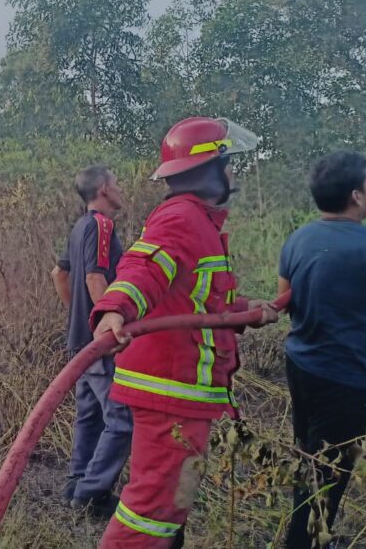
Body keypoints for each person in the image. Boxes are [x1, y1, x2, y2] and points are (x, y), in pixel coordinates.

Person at [90, 117, 279, 548]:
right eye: (227, 164)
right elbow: (143, 268)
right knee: (152, 512)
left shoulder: (200, 224)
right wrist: (115, 308)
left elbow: (200, 303)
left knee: (172, 504)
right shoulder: (180, 219)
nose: (232, 174)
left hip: (182, 395)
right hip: (170, 392)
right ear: (208, 171)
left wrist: (247, 311)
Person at [278, 151, 366, 548]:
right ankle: (303, 542)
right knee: (330, 470)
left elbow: (284, 299)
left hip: (301, 364)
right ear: (356, 195)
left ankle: (312, 535)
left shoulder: (298, 238)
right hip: (347, 376)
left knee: (310, 455)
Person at [49, 164, 133, 517]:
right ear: (102, 189)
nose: (119, 188)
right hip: (97, 345)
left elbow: (59, 274)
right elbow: (95, 278)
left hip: (80, 341)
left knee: (90, 415)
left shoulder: (78, 226)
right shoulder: (101, 225)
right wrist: (103, 324)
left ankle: (76, 482)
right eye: (115, 183)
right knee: (122, 419)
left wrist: (79, 319)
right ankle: (90, 493)